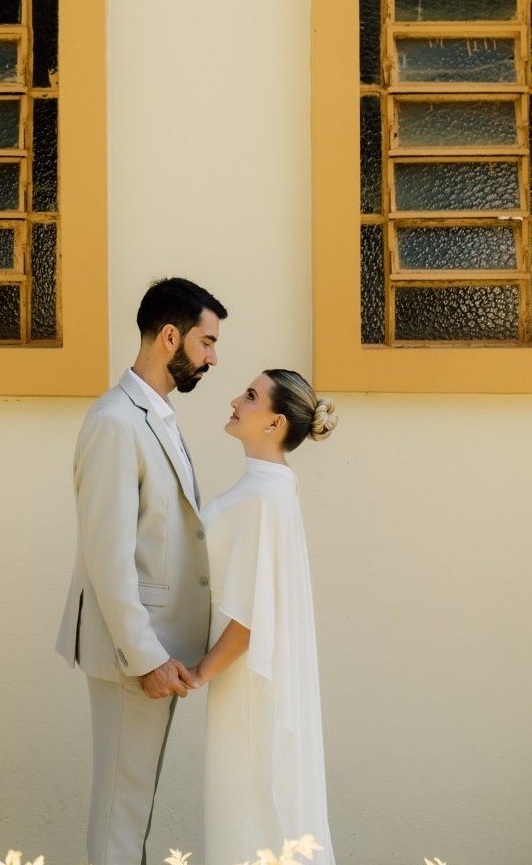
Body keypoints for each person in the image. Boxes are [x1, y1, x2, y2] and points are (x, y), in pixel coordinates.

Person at [56, 276, 228, 865]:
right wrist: (146, 657)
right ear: (170, 337)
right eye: (207, 342)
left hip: (156, 648)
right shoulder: (116, 422)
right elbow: (107, 557)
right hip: (134, 651)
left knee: (131, 808)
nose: (212, 358)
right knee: (120, 812)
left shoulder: (155, 414)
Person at [188, 369, 338, 865]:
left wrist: (200, 672)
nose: (235, 400)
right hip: (245, 681)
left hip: (247, 684)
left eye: (250, 396)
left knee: (246, 815)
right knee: (244, 814)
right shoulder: (270, 487)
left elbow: (253, 616)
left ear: (275, 423)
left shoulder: (264, 496)